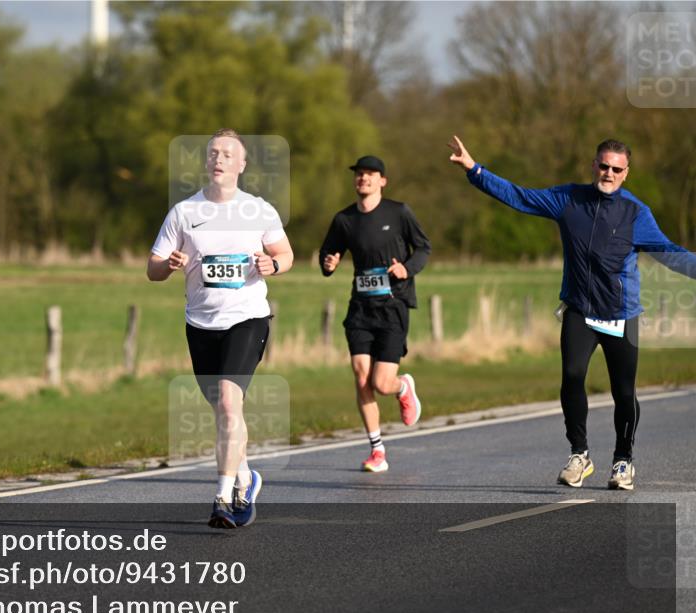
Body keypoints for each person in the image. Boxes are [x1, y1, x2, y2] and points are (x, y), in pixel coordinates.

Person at [449, 135, 696, 490]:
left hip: (620, 314)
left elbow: (671, 252)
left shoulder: (636, 213)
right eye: (603, 165)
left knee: (623, 392)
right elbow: (520, 197)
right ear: (593, 165)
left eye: (616, 169)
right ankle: (579, 454)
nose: (608, 173)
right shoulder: (569, 199)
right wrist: (475, 170)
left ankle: (623, 460)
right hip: (580, 309)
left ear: (626, 173)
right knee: (572, 375)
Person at [148, 129, 294, 529]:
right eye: (213, 153)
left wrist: (273, 265)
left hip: (247, 318)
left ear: (242, 165)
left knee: (230, 404)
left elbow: (286, 253)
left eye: (228, 154)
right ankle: (247, 477)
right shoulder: (184, 212)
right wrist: (170, 265)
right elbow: (153, 269)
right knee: (225, 411)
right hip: (200, 323)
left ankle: (223, 497)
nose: (219, 158)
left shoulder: (259, 210)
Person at [319, 156, 430, 473]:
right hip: (360, 307)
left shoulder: (399, 212)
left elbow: (423, 248)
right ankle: (377, 450)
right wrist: (328, 263)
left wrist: (405, 269)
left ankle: (402, 386)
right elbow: (327, 252)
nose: (363, 179)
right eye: (358, 174)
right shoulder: (344, 219)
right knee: (360, 375)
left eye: (370, 174)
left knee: (382, 383)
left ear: (382, 180)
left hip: (393, 306)